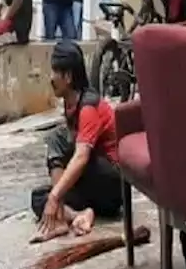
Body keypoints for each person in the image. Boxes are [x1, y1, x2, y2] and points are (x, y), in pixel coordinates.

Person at [31, 41, 124, 241]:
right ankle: (73, 216)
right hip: (90, 185)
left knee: (64, 146)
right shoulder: (70, 101)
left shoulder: (89, 107)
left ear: (68, 76)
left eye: (55, 72)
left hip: (110, 184)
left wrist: (55, 197)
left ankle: (63, 213)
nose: (51, 78)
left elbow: (81, 157)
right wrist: (54, 197)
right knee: (39, 198)